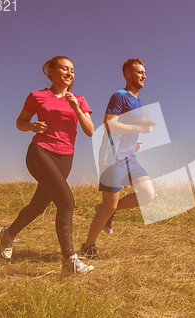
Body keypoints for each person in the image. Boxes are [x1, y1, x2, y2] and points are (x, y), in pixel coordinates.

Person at [0, 56, 95, 276]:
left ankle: (8, 234)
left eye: (72, 70)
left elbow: (89, 130)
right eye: (64, 69)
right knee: (67, 201)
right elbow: (19, 122)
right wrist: (31, 126)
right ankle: (70, 261)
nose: (69, 73)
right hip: (40, 152)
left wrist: (77, 109)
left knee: (38, 205)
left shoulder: (78, 99)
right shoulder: (37, 96)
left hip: (66, 156)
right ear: (50, 71)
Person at [78, 58, 155, 259]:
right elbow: (109, 124)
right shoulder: (119, 96)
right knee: (109, 206)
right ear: (127, 74)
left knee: (147, 194)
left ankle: (105, 211)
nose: (144, 75)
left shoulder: (137, 100)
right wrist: (139, 128)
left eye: (144, 72)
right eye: (139, 72)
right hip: (112, 158)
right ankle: (87, 247)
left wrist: (133, 143)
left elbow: (125, 129)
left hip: (129, 157)